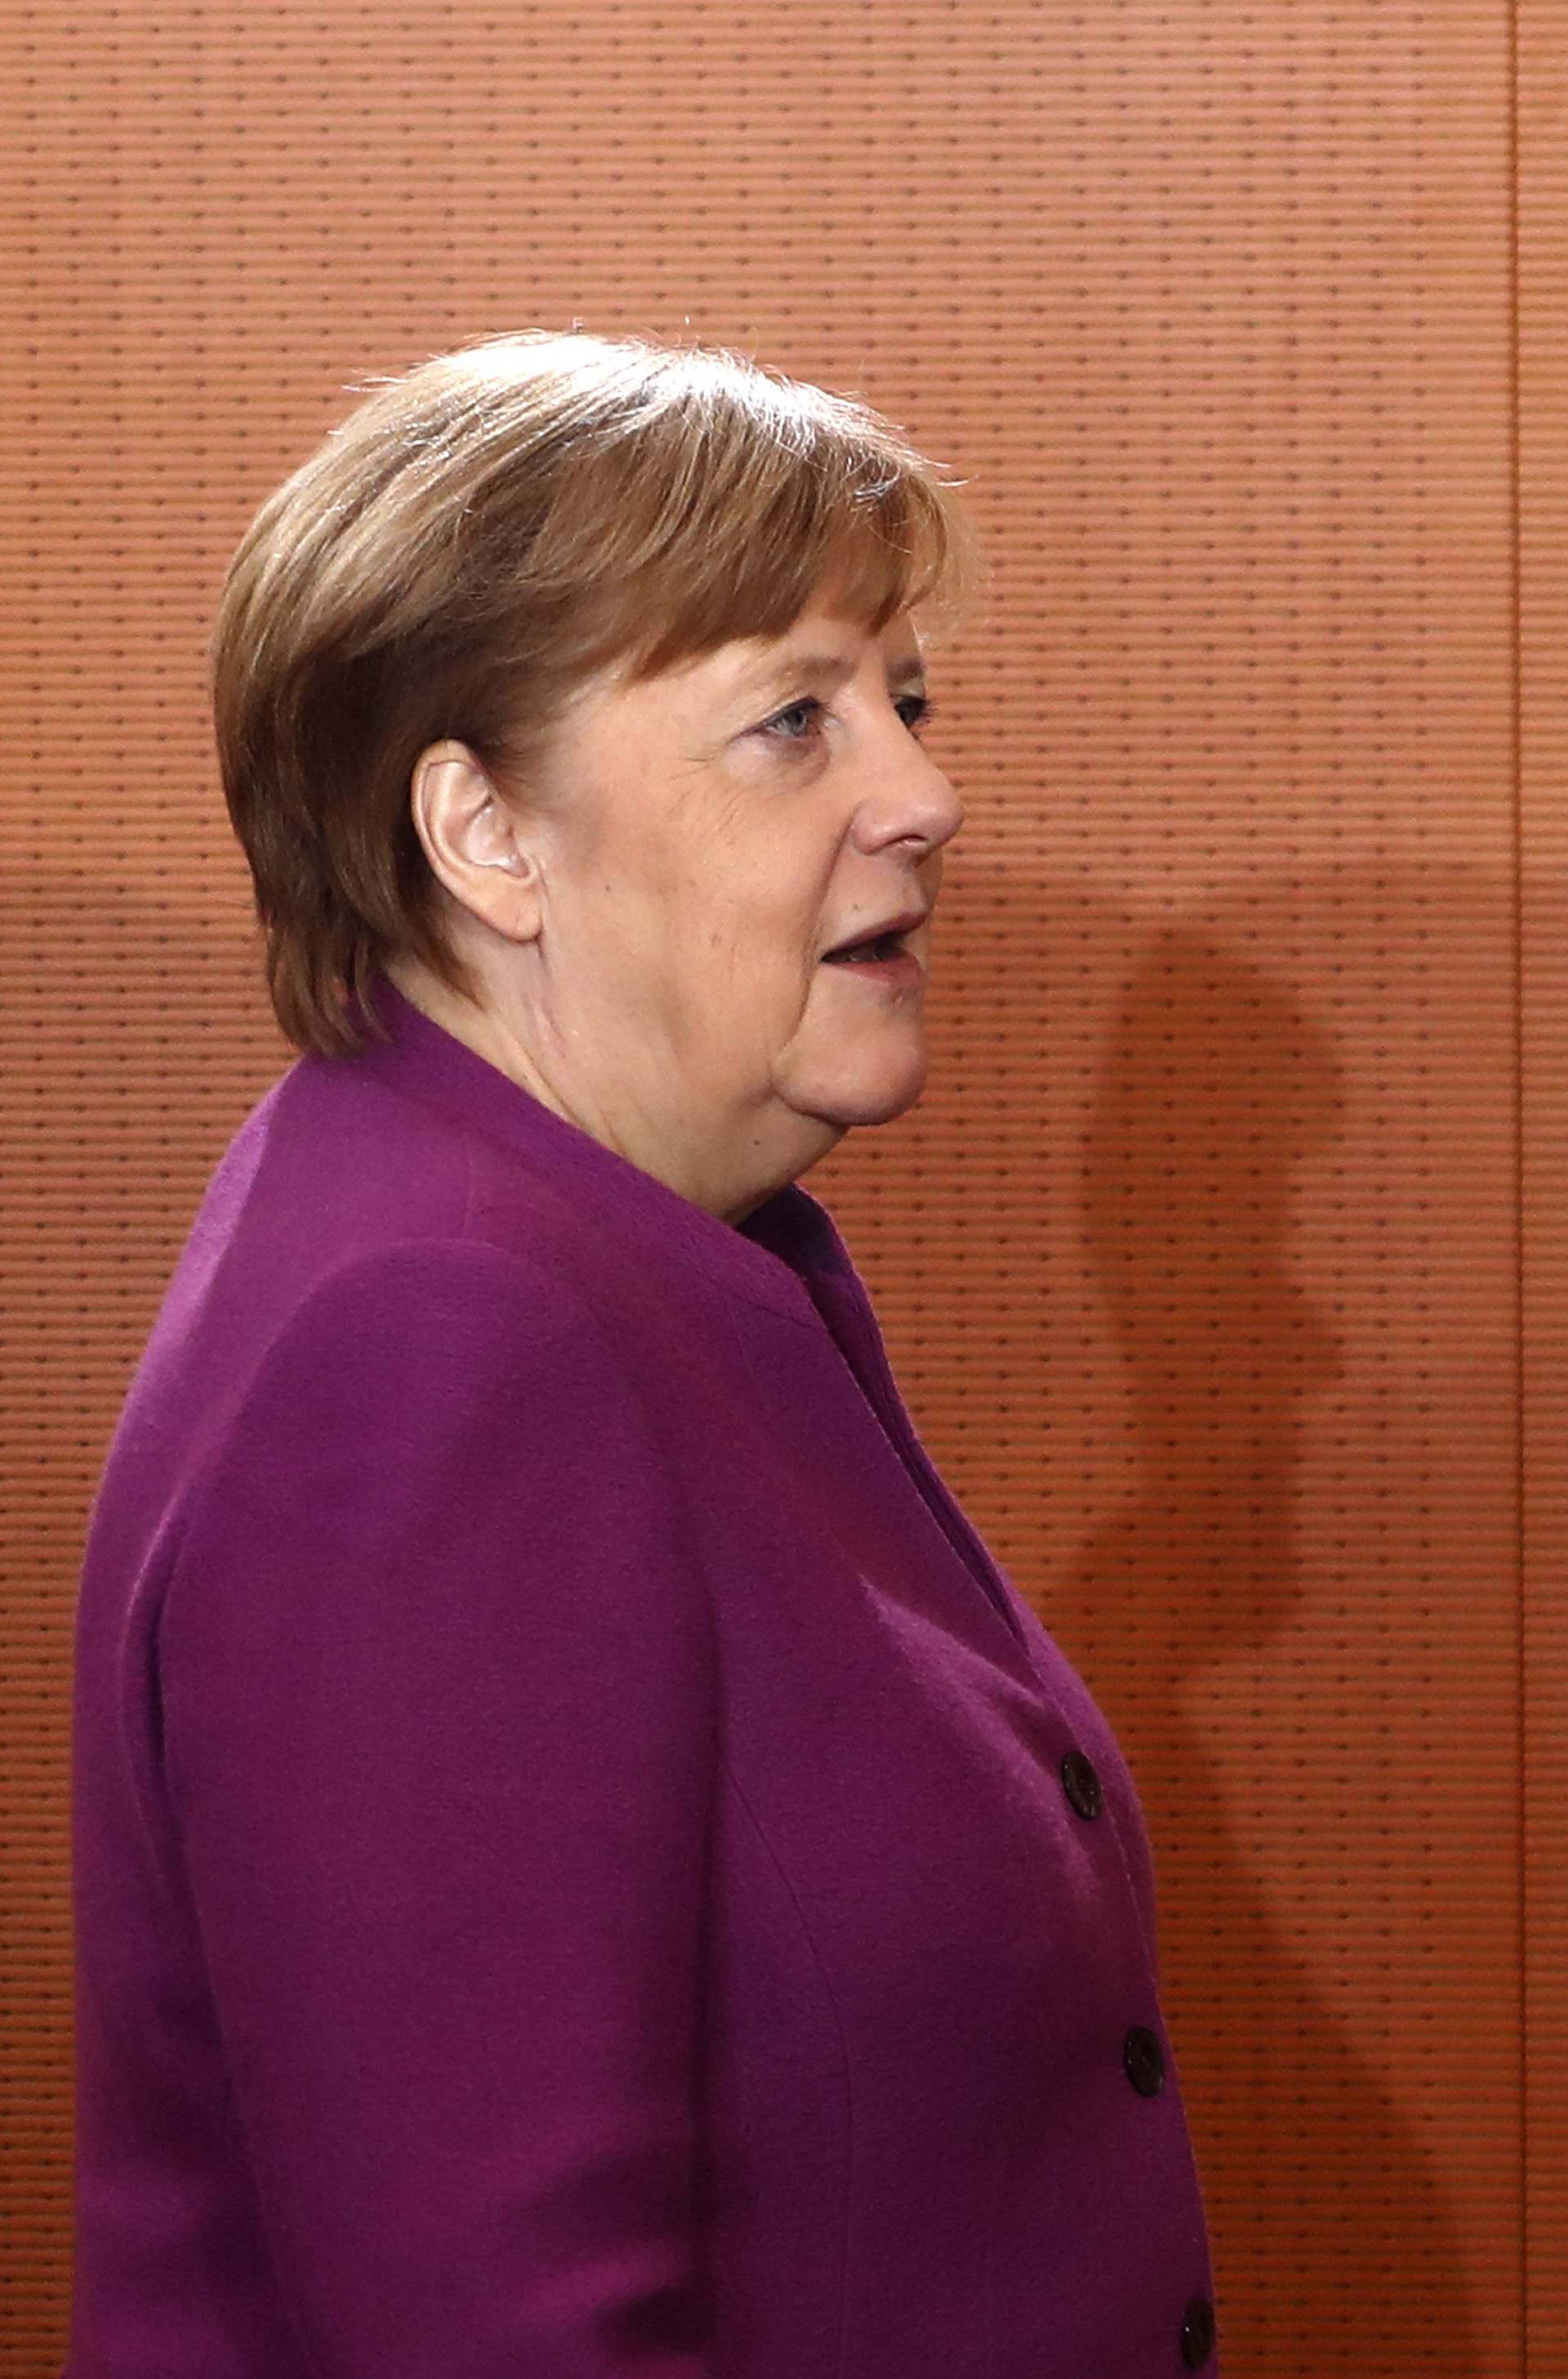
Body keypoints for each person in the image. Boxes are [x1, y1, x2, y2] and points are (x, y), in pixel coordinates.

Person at [65, 329, 1219, 2378]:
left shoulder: (606, 1240)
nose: (926, 794)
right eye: (794, 719)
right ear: (484, 832)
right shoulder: (436, 1344)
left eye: (907, 699)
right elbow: (491, 2322)